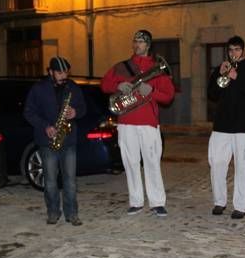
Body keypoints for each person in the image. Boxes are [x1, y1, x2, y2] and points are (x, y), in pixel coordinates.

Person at [101, 30, 175, 217]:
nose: (137, 44)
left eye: (141, 41)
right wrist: (117, 86)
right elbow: (104, 84)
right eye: (135, 41)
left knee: (152, 162)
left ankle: (157, 202)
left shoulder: (156, 68)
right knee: (130, 162)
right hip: (126, 122)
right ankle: (136, 201)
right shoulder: (121, 67)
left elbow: (168, 96)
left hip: (148, 123)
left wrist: (151, 91)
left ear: (148, 45)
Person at [207, 36, 245, 219]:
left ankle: (240, 205)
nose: (234, 53)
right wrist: (219, 74)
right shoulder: (221, 68)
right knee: (216, 163)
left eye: (237, 50)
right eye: (231, 50)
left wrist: (236, 77)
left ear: (243, 50)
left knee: (243, 166)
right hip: (222, 125)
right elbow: (212, 95)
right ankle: (219, 201)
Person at [23, 57, 86, 226]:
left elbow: (83, 108)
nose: (63, 75)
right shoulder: (39, 89)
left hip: (69, 140)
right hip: (47, 141)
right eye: (59, 72)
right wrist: (45, 126)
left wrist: (75, 112)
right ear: (50, 71)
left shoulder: (72, 87)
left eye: (66, 72)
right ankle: (53, 212)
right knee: (50, 181)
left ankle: (72, 213)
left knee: (70, 181)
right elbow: (28, 112)